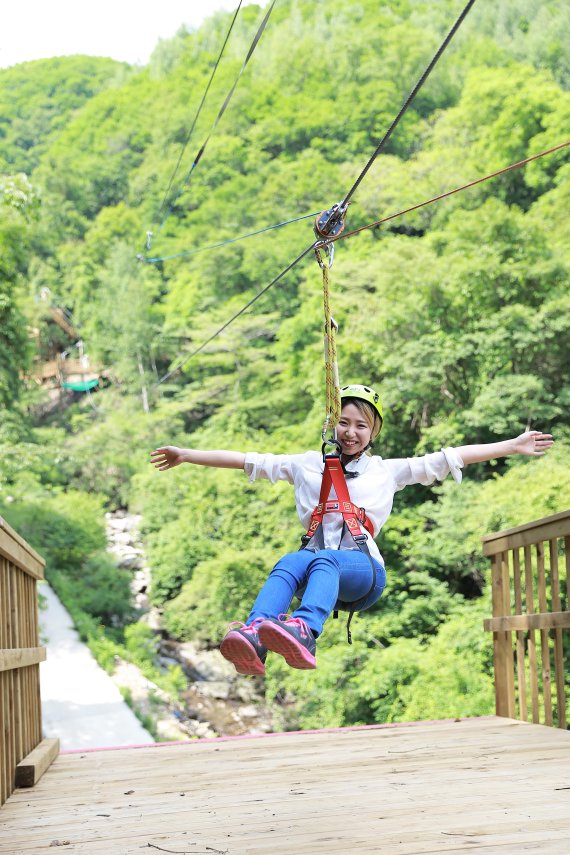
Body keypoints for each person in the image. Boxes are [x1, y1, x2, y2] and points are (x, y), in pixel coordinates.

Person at [150, 384, 553, 677]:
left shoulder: (386, 471)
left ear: (373, 433)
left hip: (364, 573)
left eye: (361, 425)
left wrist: (510, 446)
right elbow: (245, 461)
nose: (350, 432)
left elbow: (447, 458)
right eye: (343, 422)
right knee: (293, 559)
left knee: (321, 557)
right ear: (332, 425)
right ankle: (256, 633)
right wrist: (187, 455)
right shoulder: (306, 465)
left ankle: (305, 630)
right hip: (318, 573)